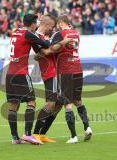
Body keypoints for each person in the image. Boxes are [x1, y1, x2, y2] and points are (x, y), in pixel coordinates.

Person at [38, 15, 93, 144]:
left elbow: (50, 49)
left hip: (66, 71)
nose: (56, 26)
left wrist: (40, 54)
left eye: (57, 24)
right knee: (78, 101)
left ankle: (73, 136)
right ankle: (87, 128)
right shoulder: (76, 33)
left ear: (61, 23)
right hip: (78, 69)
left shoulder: (59, 34)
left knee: (67, 104)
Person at [6, 14, 50, 145]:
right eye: (35, 23)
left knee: (14, 105)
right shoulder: (28, 34)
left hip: (9, 74)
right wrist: (47, 40)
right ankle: (28, 134)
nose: (36, 25)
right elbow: (44, 44)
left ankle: (15, 138)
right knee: (31, 102)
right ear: (32, 24)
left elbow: (34, 47)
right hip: (21, 73)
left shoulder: (15, 32)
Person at [32, 15, 62, 143]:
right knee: (51, 103)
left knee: (59, 104)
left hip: (57, 71)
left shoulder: (45, 38)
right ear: (47, 25)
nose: (52, 29)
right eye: (52, 26)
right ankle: (35, 133)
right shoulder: (36, 37)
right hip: (50, 72)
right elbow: (44, 52)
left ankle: (43, 134)